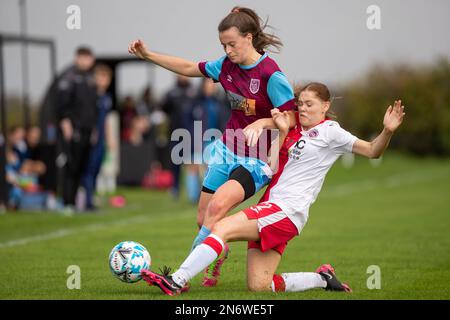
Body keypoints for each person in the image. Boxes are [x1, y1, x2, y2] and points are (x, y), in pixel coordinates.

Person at [139, 82, 406, 295]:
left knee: (221, 227)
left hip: (286, 210)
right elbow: (271, 165)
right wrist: (277, 131)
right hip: (273, 209)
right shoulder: (292, 129)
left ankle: (176, 279)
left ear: (325, 105)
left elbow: (372, 151)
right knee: (260, 286)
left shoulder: (331, 132)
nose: (302, 108)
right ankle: (322, 278)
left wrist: (387, 131)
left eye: (309, 104)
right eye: (300, 103)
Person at [128, 6, 297, 286]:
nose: (227, 50)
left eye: (232, 44)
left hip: (256, 160)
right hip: (227, 150)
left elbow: (291, 118)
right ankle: (218, 251)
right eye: (223, 45)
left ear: (249, 37)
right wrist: (149, 55)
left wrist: (263, 124)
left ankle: (178, 278)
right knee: (203, 218)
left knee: (218, 206)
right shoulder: (226, 66)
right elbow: (188, 67)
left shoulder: (271, 75)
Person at [55, 46, 97, 213]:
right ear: (77, 58)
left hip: (88, 129)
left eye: (89, 58)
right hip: (74, 129)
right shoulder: (69, 78)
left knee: (83, 167)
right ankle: (67, 202)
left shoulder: (89, 78)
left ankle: (79, 201)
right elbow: (62, 105)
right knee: (71, 166)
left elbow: (92, 107)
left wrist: (94, 128)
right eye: (84, 58)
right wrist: (66, 123)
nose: (87, 62)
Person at [81, 63, 113, 211]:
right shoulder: (90, 96)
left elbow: (105, 119)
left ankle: (90, 198)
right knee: (89, 168)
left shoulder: (106, 98)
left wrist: (109, 137)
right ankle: (86, 200)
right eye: (101, 77)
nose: (103, 81)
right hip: (91, 138)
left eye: (106, 78)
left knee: (97, 168)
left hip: (101, 139)